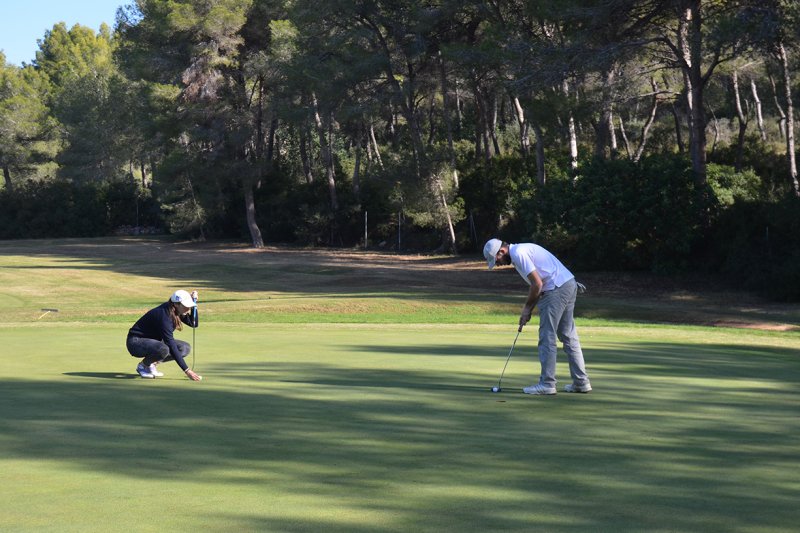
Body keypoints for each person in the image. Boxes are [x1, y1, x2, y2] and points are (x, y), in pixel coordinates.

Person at [483, 238, 591, 395]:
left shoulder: (518, 253)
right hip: (568, 283)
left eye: (496, 260)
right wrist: (529, 309)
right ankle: (581, 382)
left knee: (547, 337)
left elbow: (537, 284)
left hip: (556, 288)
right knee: (568, 336)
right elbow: (538, 284)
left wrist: (527, 309)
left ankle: (547, 383)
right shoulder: (521, 250)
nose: (498, 264)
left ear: (501, 251)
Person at [126, 289, 202, 381]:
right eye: (186, 306)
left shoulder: (176, 310)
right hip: (135, 343)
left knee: (184, 348)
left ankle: (152, 364)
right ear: (176, 304)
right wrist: (187, 370)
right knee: (164, 349)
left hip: (154, 342)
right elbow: (170, 343)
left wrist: (194, 305)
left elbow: (193, 323)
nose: (188, 309)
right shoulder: (165, 316)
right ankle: (143, 366)